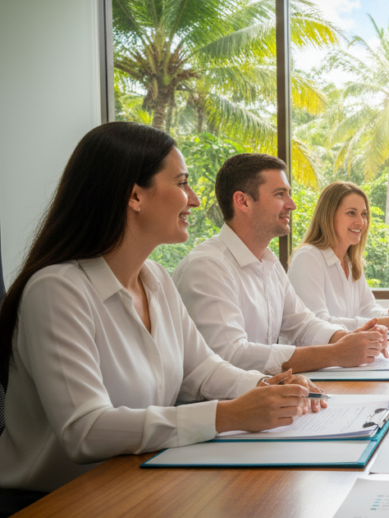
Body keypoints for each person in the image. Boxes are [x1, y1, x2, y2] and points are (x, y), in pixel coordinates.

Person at [0, 123, 324, 497]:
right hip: (51, 507)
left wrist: (267, 387)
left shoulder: (154, 278)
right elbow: (84, 430)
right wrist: (228, 415)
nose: (195, 199)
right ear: (135, 196)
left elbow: (201, 368)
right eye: (182, 183)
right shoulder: (56, 291)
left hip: (131, 481)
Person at [173, 154, 387, 375]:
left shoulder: (270, 263)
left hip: (263, 395)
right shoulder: (208, 267)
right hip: (219, 405)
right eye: (280, 194)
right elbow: (231, 356)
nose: (292, 205)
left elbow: (302, 324)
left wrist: (346, 338)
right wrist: (336, 353)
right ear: (243, 201)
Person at [288, 181, 389, 331]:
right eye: (351, 213)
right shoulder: (308, 258)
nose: (360, 222)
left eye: (364, 214)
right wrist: (387, 322)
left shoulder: (350, 262)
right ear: (329, 216)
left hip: (348, 352)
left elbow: (367, 308)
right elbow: (318, 324)